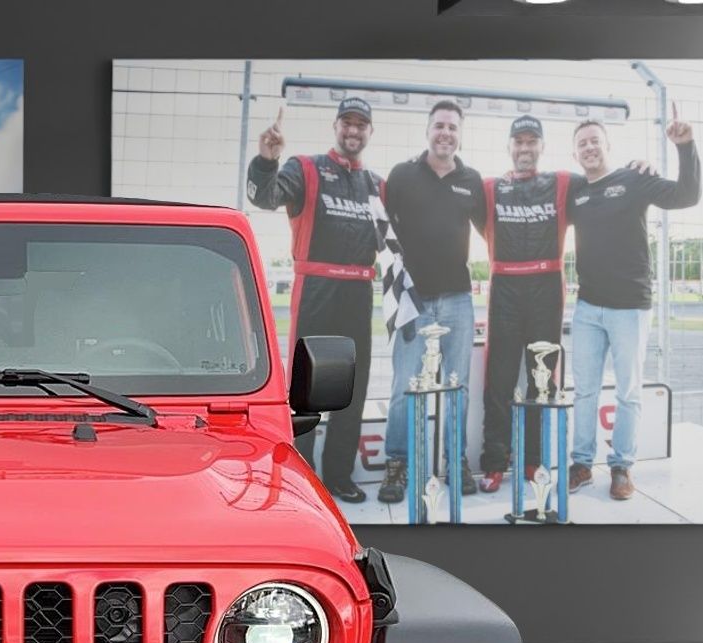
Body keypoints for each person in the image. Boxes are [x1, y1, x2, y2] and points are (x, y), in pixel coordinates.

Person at [247, 96, 382, 503]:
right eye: (347, 123)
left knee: (351, 390)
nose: (353, 131)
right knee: (306, 389)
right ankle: (302, 478)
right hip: (317, 288)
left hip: (360, 292)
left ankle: (339, 475)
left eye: (361, 125)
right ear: (336, 126)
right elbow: (264, 197)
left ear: (369, 132)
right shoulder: (305, 167)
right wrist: (266, 160)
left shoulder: (378, 184)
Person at [568, 107, 700, 500]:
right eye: (582, 144)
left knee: (629, 392)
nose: (589, 147)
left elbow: (686, 196)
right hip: (588, 307)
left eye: (595, 140)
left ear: (608, 145)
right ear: (575, 154)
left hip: (630, 307)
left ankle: (622, 467)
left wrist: (685, 146)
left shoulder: (635, 178)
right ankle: (580, 464)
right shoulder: (574, 191)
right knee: (584, 391)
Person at [377, 100, 486, 505]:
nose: (446, 133)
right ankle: (398, 462)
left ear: (460, 134)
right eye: (440, 125)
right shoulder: (403, 175)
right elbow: (380, 231)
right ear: (428, 130)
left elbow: (494, 233)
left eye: (453, 127)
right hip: (413, 299)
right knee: (406, 387)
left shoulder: (472, 180)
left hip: (458, 298)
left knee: (456, 386)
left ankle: (455, 461)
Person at [478, 115, 576, 492]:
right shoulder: (490, 188)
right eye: (518, 142)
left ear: (541, 147)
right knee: (499, 381)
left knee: (541, 383)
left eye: (531, 141)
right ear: (509, 147)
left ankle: (533, 460)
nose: (524, 148)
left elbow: (602, 186)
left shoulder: (562, 183)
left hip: (547, 289)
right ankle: (494, 461)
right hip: (504, 287)